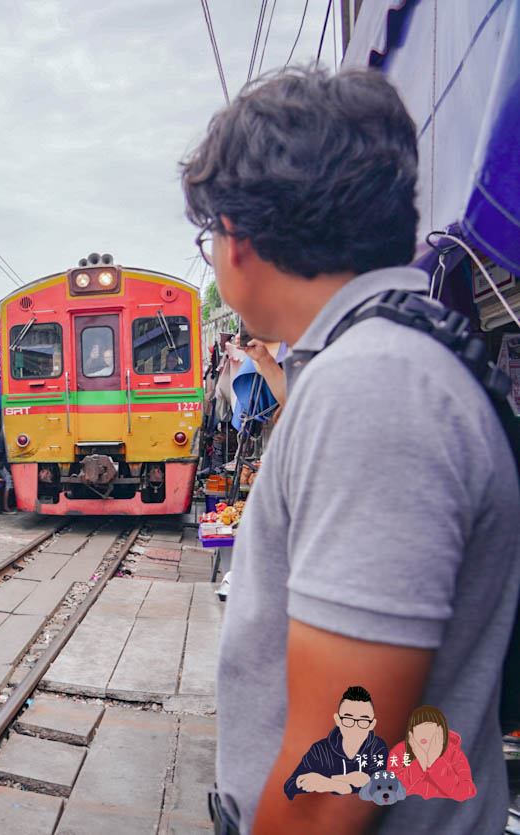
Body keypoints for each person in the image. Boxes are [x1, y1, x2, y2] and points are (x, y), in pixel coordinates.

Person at [184, 66, 520, 835]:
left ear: (241, 235)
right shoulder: (392, 361)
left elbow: (335, 779)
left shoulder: (374, 388)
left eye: (211, 234)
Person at [283, 686, 388, 799]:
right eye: (348, 720)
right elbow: (290, 786)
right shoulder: (320, 750)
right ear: (338, 720)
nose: (355, 727)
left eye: (363, 721)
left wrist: (332, 782)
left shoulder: (377, 748)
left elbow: (383, 790)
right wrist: (337, 784)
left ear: (372, 724)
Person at [388, 705, 477, 801]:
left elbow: (465, 792)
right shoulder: (400, 752)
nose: (424, 734)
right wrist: (419, 764)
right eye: (419, 729)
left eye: (429, 729)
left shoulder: (454, 754)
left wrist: (435, 762)